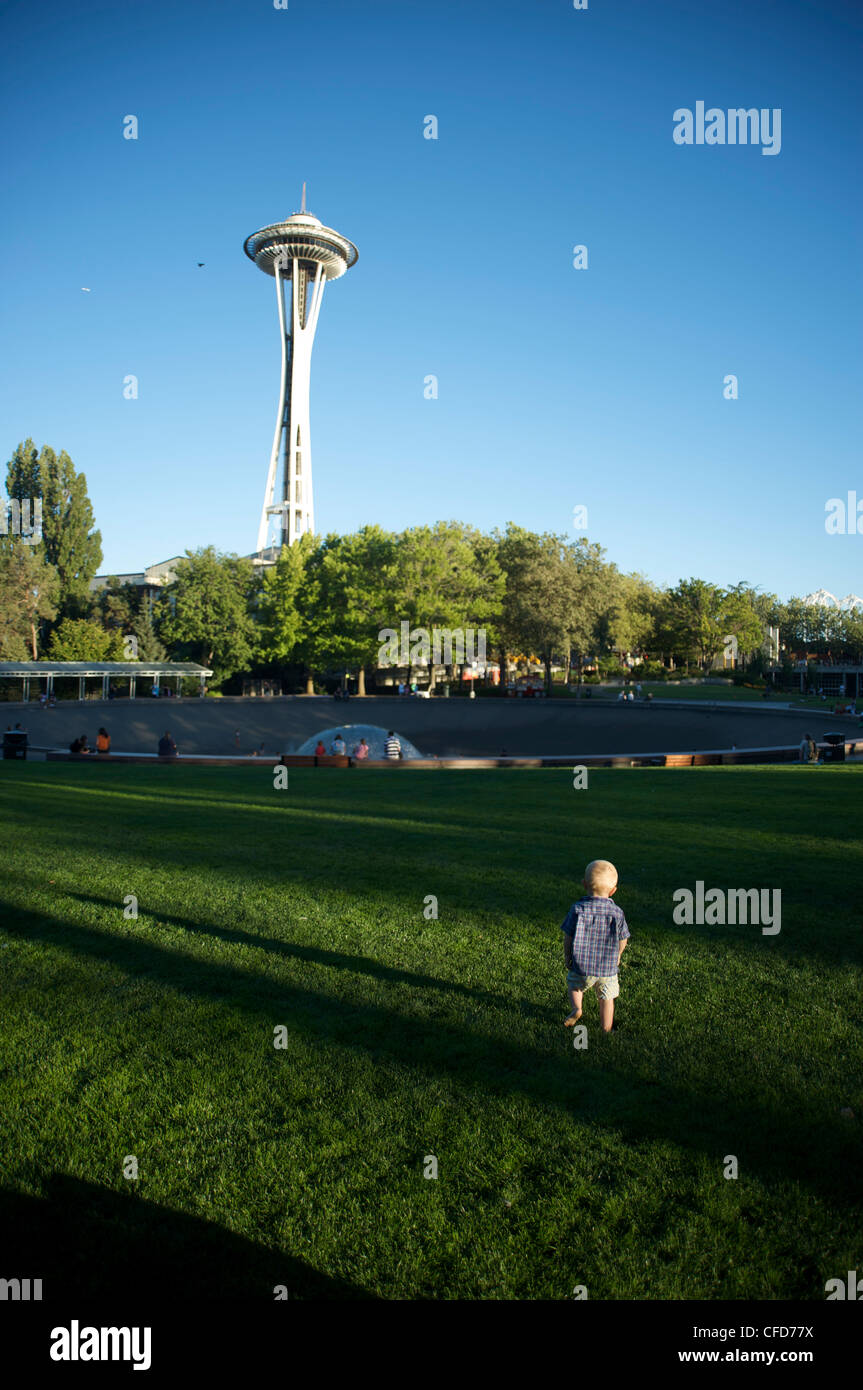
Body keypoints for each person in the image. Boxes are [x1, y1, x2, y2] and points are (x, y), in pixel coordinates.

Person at [560, 859, 630, 1034]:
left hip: (581, 966)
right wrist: (619, 954)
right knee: (607, 998)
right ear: (613, 891)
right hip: (607, 968)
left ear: (584, 884)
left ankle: (577, 1009)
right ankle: (606, 1028)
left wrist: (568, 955)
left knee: (575, 987)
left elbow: (568, 936)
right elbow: (623, 938)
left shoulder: (577, 909)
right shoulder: (617, 913)